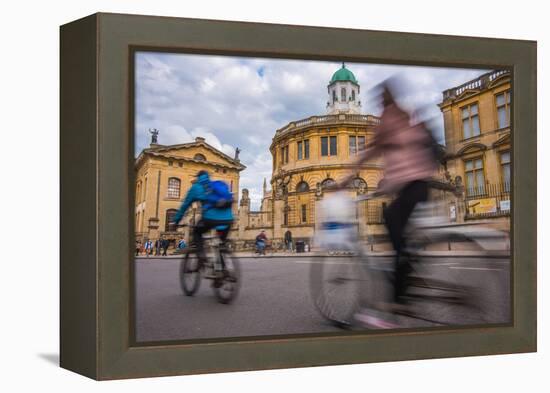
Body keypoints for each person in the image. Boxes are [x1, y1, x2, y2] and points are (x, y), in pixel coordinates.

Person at [340, 80, 437, 309]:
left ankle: (399, 292)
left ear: (385, 98)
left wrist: (346, 178)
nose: (379, 101)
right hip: (421, 181)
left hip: (409, 183)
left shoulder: (388, 120)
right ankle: (409, 264)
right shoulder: (406, 115)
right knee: (404, 230)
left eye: (381, 98)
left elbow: (371, 151)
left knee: (391, 221)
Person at [172, 170, 233, 271]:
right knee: (221, 244)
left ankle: (201, 256)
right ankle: (223, 272)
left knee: (197, 232)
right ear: (208, 177)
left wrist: (176, 220)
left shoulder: (196, 187)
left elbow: (184, 205)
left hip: (210, 218)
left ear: (198, 178)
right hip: (228, 218)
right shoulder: (215, 184)